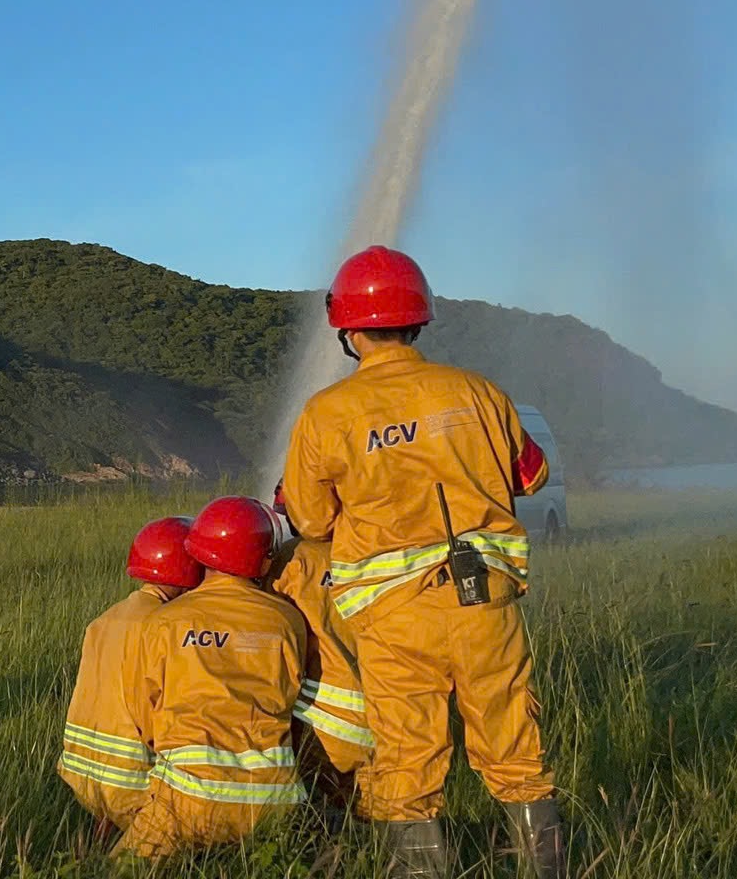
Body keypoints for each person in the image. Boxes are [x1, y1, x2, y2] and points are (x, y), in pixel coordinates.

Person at [280, 246, 564, 878]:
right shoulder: (477, 392)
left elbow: (312, 521)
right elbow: (533, 475)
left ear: (347, 329)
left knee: (407, 759)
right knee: (516, 749)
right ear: (420, 318)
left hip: (392, 615)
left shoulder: (327, 412)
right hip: (484, 603)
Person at [117, 497, 308, 858]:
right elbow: (294, 697)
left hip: (185, 798)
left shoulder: (165, 622)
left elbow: (143, 712)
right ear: (264, 558)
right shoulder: (287, 621)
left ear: (197, 551)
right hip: (273, 800)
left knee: (118, 868)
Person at [58, 516, 205, 835]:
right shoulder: (169, 627)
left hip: (81, 773)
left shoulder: (104, 620)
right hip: (133, 783)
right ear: (191, 570)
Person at [268, 485, 374, 811]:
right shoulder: (373, 556)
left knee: (323, 816)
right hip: (385, 717)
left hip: (320, 723)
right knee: (375, 817)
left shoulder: (293, 560)